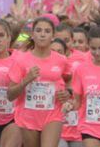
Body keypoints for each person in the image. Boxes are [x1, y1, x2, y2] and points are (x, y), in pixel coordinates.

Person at [7, 17, 73, 147]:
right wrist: (26, 80)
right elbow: (10, 95)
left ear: (53, 36)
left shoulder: (61, 60)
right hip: (28, 116)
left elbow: (70, 80)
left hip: (52, 114)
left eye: (47, 31)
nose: (42, 34)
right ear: (32, 35)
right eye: (38, 30)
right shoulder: (21, 60)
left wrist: (68, 92)